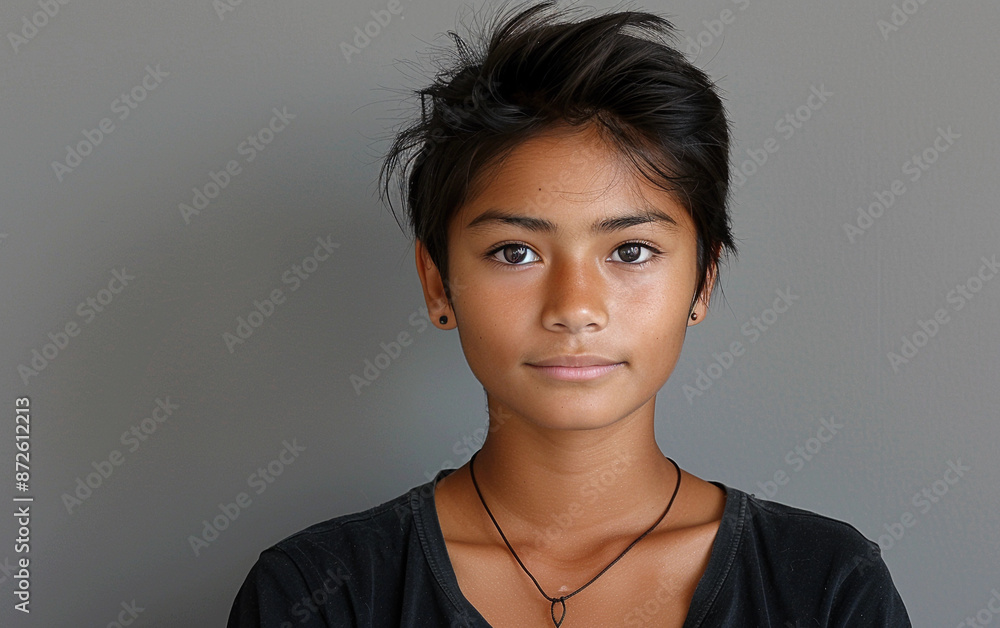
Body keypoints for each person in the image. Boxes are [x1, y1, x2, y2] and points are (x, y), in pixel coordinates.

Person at [228, 1, 911, 625]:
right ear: (438, 285)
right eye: (515, 253)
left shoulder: (825, 587)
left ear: (702, 282)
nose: (575, 308)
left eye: (632, 251)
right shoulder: (322, 592)